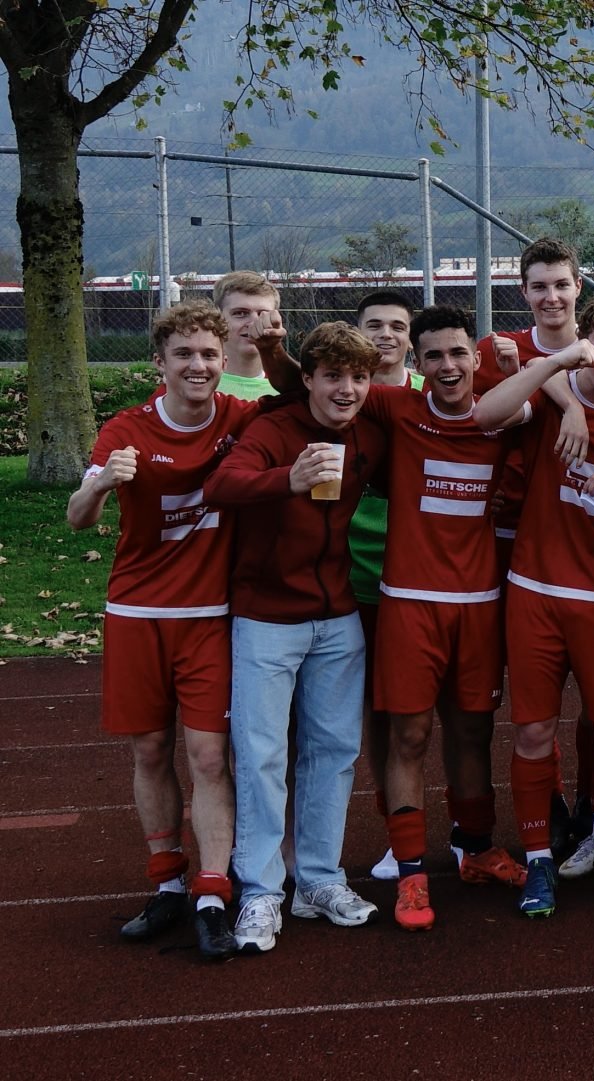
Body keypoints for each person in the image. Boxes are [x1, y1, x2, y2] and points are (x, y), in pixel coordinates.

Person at [68, 301, 260, 961]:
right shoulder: (126, 429)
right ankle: (167, 883)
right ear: (160, 363)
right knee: (150, 751)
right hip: (138, 615)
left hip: (209, 617)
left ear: (224, 359)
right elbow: (76, 516)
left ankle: (212, 893)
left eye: (209, 354)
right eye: (184, 354)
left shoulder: (242, 417)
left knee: (209, 757)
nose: (198, 365)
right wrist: (100, 489)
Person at [470, 292, 594, 918]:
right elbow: (486, 415)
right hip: (535, 590)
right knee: (531, 731)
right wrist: (554, 369)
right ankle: (537, 862)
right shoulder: (554, 396)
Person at [353, 304, 539, 929]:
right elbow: (316, 385)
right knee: (408, 738)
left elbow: (565, 396)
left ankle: (478, 848)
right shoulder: (393, 407)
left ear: (474, 353)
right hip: (409, 605)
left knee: (473, 733)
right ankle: (411, 875)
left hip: (480, 606)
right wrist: (273, 352)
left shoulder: (500, 408)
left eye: (458, 352)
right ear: (417, 362)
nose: (448, 365)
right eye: (433, 355)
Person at [204, 321, 388, 953]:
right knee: (260, 757)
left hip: (338, 616)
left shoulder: (370, 431)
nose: (347, 389)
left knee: (334, 751)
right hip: (265, 618)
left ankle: (318, 878)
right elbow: (220, 487)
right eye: (333, 376)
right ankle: (259, 891)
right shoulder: (273, 428)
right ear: (307, 378)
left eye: (358, 377)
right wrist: (287, 478)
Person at [475, 237, 594, 878]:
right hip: (509, 538)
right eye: (539, 286)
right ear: (522, 292)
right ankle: (545, 798)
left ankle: (592, 797)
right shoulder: (503, 352)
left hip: (593, 543)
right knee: (531, 693)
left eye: (561, 284)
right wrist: (567, 398)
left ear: (579, 286)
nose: (551, 296)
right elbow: (484, 415)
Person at [346, 290, 427, 883]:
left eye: (397, 326)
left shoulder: (436, 389)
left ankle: (462, 833)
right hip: (357, 569)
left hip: (426, 572)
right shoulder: (343, 395)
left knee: (433, 716)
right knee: (381, 709)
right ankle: (392, 829)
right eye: (373, 325)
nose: (385, 335)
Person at [211, 271, 283, 400]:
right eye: (240, 313)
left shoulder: (291, 389)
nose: (254, 323)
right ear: (218, 319)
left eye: (263, 314)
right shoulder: (199, 387)